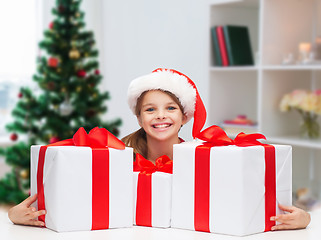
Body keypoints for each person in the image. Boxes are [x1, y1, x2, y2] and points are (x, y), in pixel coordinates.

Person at [8, 68, 310, 230]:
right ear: (139, 117)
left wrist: (304, 219)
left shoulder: (207, 159)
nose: (160, 115)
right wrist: (15, 216)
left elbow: (248, 197)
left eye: (170, 108)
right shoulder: (114, 157)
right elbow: (66, 194)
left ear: (184, 116)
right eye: (150, 109)